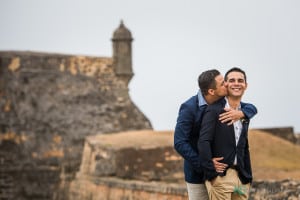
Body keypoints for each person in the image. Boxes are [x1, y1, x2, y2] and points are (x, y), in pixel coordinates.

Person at [174, 69, 257, 200]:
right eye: (223, 83)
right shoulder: (189, 108)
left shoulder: (224, 102)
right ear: (212, 91)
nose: (227, 84)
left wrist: (243, 113)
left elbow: (250, 107)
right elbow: (179, 143)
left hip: (224, 174)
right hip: (197, 172)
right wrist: (204, 163)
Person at [198, 67, 255, 200]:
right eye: (232, 80)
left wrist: (248, 175)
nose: (236, 83)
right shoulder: (213, 110)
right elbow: (203, 141)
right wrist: (211, 171)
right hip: (221, 177)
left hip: (242, 178)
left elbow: (243, 144)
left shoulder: (245, 112)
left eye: (240, 80)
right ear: (226, 84)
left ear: (245, 85)